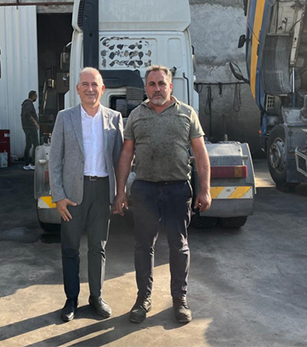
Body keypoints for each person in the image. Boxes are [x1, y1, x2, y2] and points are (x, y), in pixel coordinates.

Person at [113, 65, 211, 325]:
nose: (157, 89)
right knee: (143, 246)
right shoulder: (136, 115)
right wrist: (120, 191)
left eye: (161, 84)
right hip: (145, 189)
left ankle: (179, 299)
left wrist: (205, 189)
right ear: (145, 88)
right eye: (152, 84)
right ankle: (143, 299)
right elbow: (126, 154)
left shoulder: (187, 113)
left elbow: (200, 153)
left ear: (170, 87)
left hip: (178, 189)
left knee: (179, 245)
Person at [49, 67, 124, 322]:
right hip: (73, 193)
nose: (90, 89)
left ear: (102, 89)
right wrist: (58, 196)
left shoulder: (114, 118)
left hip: (102, 191)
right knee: (70, 247)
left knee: (97, 247)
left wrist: (120, 193)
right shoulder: (65, 118)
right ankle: (71, 299)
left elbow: (120, 161)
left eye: (95, 85)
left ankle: (96, 297)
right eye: (85, 84)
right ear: (78, 89)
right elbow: (55, 159)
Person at [21, 90, 40, 170]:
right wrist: (35, 123)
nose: (36, 98)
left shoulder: (26, 104)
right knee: (36, 145)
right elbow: (27, 114)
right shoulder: (28, 104)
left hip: (27, 127)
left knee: (28, 145)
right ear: (33, 96)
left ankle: (27, 163)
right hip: (30, 127)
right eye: (36, 96)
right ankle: (33, 163)